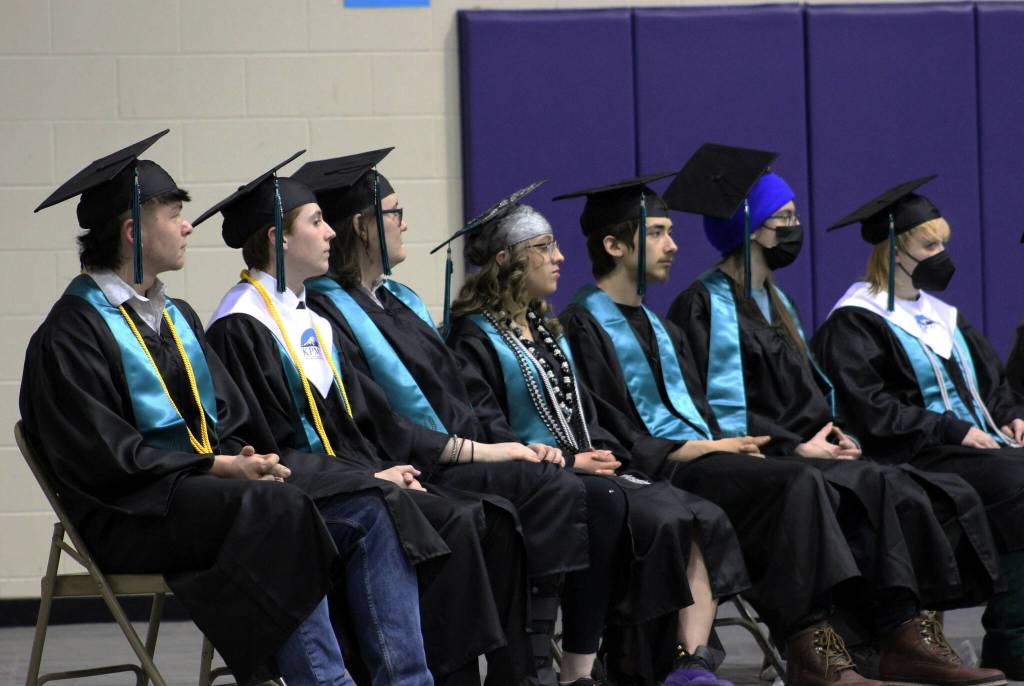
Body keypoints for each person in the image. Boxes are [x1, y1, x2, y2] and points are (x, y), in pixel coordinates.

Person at [554, 166, 1004, 686]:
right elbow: (609, 425)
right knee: (798, 481)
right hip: (667, 471)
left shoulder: (662, 325)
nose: (672, 245)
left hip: (716, 456)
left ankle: (898, 629)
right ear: (614, 245)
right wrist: (706, 448)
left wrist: (815, 435)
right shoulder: (587, 324)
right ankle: (811, 642)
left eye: (671, 231)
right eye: (657, 233)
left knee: (882, 481)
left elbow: (703, 405)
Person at [20, 132, 358, 685]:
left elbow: (226, 418)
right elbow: (110, 459)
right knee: (279, 511)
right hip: (125, 514)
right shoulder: (70, 335)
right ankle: (320, 680)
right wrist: (221, 468)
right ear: (133, 230)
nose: (187, 226)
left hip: (187, 498)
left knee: (328, 509)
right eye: (175, 213)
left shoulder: (175, 317)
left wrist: (245, 457)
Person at [199, 153, 534, 686]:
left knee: (489, 515)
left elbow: (354, 425)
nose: (331, 232)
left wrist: (383, 467)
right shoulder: (240, 325)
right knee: (452, 518)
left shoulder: (310, 319)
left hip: (352, 481)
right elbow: (271, 444)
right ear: (276, 239)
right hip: (311, 496)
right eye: (315, 222)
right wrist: (370, 477)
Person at [294, 150, 591, 685]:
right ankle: (522, 668)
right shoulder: (326, 311)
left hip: (455, 453)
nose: (404, 224)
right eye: (393, 212)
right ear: (363, 226)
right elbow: (376, 420)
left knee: (556, 493)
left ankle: (530, 669)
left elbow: (461, 393)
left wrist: (507, 443)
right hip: (413, 461)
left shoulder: (399, 299)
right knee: (539, 495)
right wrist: (484, 451)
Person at [446, 186, 752, 686]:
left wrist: (604, 453)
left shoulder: (546, 329)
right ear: (506, 260)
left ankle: (690, 665)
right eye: (543, 247)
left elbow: (585, 414)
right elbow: (488, 428)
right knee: (646, 513)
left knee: (699, 512)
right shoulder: (476, 337)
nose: (560, 257)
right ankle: (604, 668)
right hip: (534, 475)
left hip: (585, 465)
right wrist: (569, 463)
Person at [811, 174, 1024, 679]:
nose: (941, 254)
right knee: (1018, 482)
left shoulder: (943, 316)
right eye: (929, 244)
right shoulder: (856, 319)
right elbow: (870, 408)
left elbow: (989, 384)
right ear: (894, 249)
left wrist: (1013, 416)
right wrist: (949, 430)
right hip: (913, 452)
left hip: (977, 447)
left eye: (944, 244)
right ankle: (1010, 638)